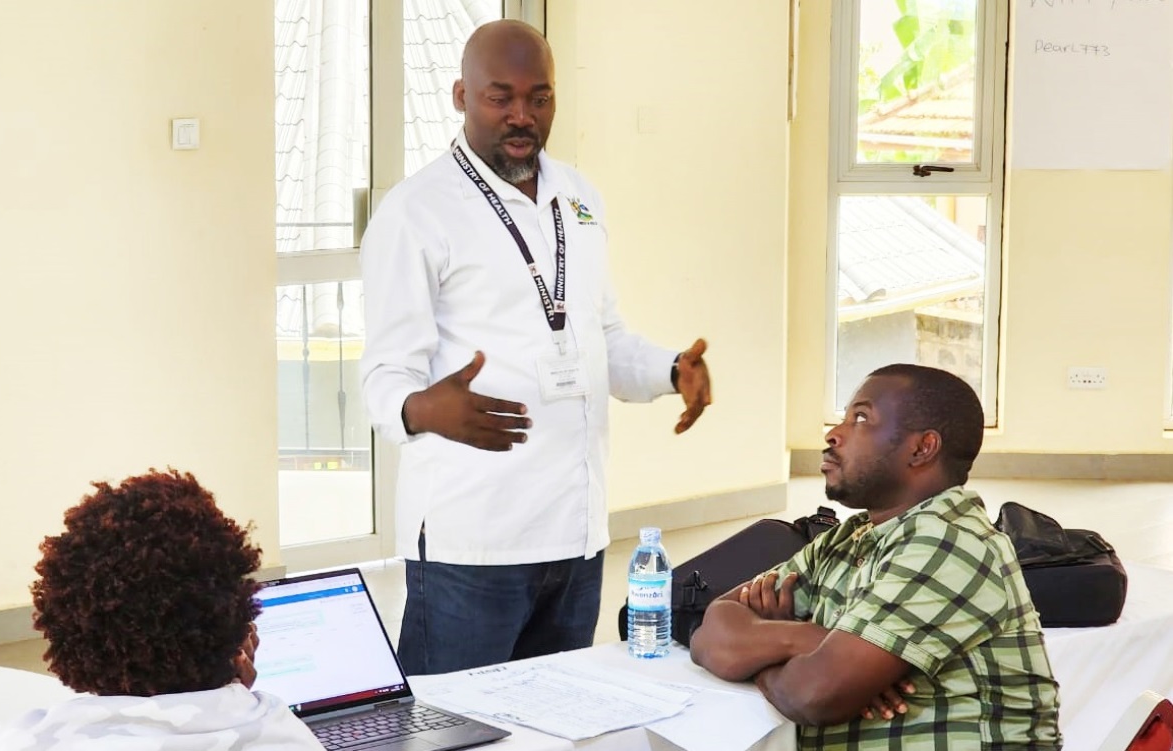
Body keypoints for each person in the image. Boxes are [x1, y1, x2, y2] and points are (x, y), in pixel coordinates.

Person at [359, 19, 712, 676]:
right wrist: (421, 408)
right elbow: (383, 373)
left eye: (539, 97)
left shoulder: (579, 197)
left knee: (553, 725)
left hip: (575, 536)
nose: (522, 115)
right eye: (501, 97)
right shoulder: (416, 212)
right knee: (446, 727)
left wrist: (669, 369)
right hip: (474, 542)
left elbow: (603, 338)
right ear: (462, 96)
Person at [690, 364, 1062, 750]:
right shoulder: (848, 539)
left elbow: (813, 695)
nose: (833, 435)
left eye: (862, 418)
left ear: (921, 448)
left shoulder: (949, 541)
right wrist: (806, 640)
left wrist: (765, 655)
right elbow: (712, 632)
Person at [0, 469, 324, 751]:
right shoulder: (286, 734)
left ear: (63, 627)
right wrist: (225, 698)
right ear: (237, 626)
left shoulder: (24, 741)